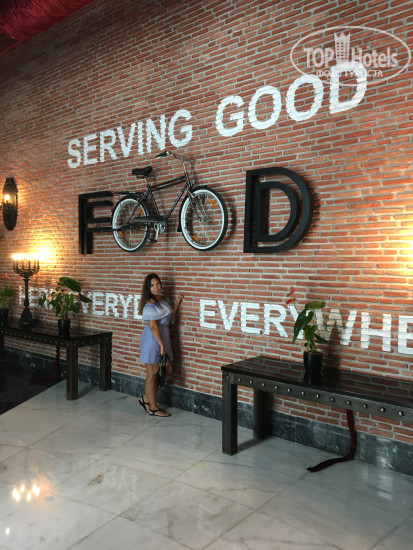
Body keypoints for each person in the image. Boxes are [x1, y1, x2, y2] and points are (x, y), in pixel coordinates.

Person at [138, 273, 183, 417]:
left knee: (167, 371)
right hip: (153, 340)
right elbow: (153, 326)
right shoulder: (149, 303)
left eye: (157, 284)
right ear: (148, 288)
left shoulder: (161, 299)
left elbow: (167, 319)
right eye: (152, 285)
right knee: (152, 374)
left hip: (163, 337)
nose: (156, 287)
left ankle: (146, 398)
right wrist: (162, 345)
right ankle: (152, 408)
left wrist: (176, 305)